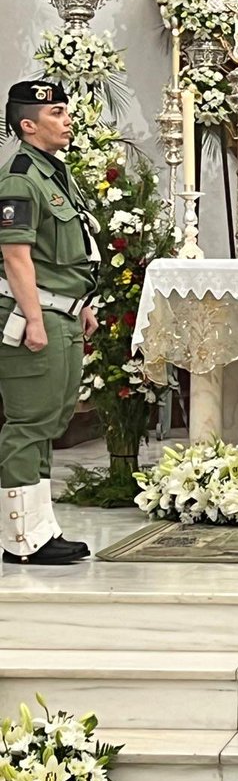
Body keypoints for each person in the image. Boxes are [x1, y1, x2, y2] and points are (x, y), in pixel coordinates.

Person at [0, 81, 99, 565]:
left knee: (49, 421)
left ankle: (40, 528)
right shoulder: (20, 178)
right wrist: (35, 319)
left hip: (60, 310)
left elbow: (62, 250)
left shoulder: (53, 174)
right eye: (57, 112)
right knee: (27, 424)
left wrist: (79, 302)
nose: (67, 119)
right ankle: (20, 539)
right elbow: (16, 255)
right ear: (28, 124)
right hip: (29, 315)